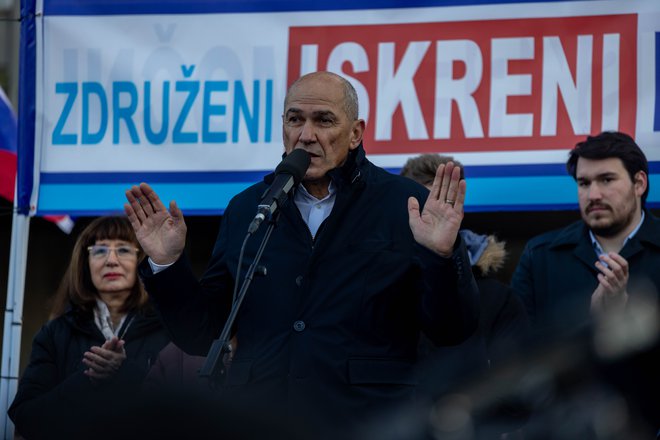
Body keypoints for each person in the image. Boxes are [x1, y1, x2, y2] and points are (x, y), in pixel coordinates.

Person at [124, 71, 479, 436]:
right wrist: (167, 265)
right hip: (261, 419)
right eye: (296, 119)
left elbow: (453, 330)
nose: (306, 135)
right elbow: (202, 334)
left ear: (356, 133)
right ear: (283, 126)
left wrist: (441, 255)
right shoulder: (249, 208)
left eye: (324, 120)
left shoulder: (404, 205)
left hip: (367, 422)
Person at [401, 153, 530, 437]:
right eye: (420, 205)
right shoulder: (376, 286)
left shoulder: (498, 299)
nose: (430, 216)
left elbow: (520, 391)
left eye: (442, 204)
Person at [8, 216, 170, 439]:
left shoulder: (169, 329)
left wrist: (124, 373)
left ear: (141, 260)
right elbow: (26, 419)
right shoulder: (55, 333)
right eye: (100, 251)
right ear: (85, 264)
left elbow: (183, 414)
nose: (111, 260)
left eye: (123, 250)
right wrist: (87, 377)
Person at [511, 131, 660, 335]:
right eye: (584, 183)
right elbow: (517, 355)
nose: (593, 195)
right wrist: (589, 323)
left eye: (607, 180)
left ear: (639, 183)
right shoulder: (539, 256)